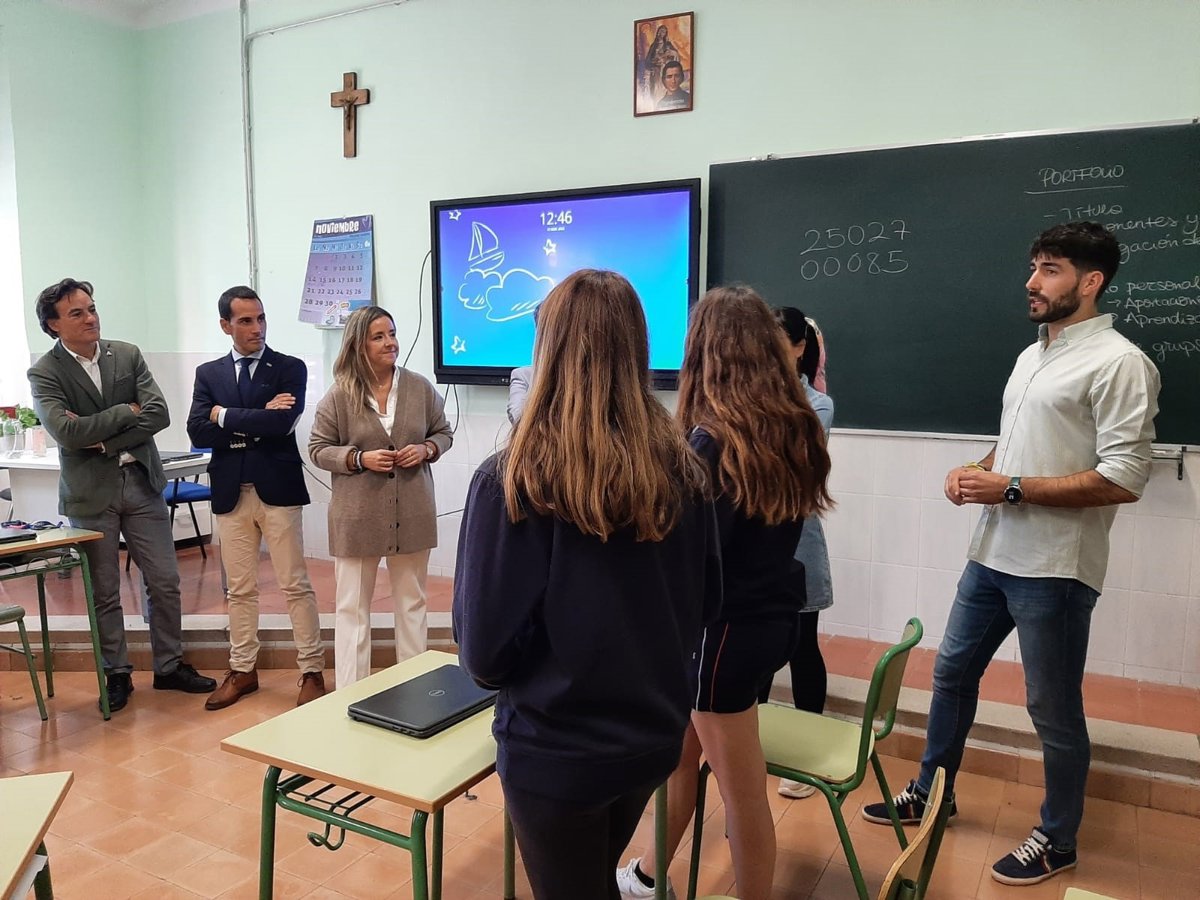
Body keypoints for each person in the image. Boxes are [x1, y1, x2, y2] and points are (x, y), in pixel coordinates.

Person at [860, 222, 1160, 887]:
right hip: (993, 552)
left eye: (1049, 269)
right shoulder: (1033, 355)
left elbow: (1124, 478)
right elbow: (1019, 446)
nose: (1031, 281)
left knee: (1052, 709)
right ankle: (933, 793)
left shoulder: (1120, 363)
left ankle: (1058, 839)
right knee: (951, 674)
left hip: (1054, 569)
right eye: (1033, 267)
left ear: (1091, 282)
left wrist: (1012, 487)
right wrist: (979, 471)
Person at [454, 269, 721, 900]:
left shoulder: (514, 483)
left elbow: (484, 656)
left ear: (546, 351)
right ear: (636, 351)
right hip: (651, 739)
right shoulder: (685, 471)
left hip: (556, 754)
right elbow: (706, 602)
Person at [619, 285, 833, 900]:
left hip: (724, 635)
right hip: (766, 618)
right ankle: (649, 875)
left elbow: (689, 553)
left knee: (742, 793)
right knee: (682, 758)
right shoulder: (793, 428)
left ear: (704, 355)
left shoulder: (712, 442)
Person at [27, 278, 216, 712]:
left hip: (142, 483)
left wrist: (105, 440)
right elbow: (66, 432)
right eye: (77, 313)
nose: (90, 318)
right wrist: (125, 412)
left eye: (92, 308)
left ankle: (169, 666)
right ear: (54, 325)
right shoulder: (45, 372)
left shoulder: (126, 354)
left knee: (164, 580)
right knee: (105, 591)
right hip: (90, 493)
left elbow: (159, 413)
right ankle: (116, 673)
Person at [186, 286, 326, 710]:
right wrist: (257, 419)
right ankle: (242, 669)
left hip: (277, 488)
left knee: (294, 584)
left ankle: (312, 671)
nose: (257, 328)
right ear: (225, 325)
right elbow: (197, 431)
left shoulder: (288, 367)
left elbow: (281, 424)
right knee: (240, 589)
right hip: (231, 490)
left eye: (261, 318)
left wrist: (224, 415)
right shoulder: (209, 374)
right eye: (245, 320)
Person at [309, 305, 452, 689]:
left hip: (413, 511)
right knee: (352, 608)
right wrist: (358, 458)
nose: (390, 343)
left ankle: (416, 690)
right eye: (379, 337)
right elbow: (318, 449)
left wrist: (426, 450)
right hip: (357, 517)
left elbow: (443, 433)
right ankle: (349, 694)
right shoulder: (340, 395)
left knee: (412, 603)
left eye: (392, 333)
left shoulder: (420, 388)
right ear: (359, 345)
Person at [759, 306, 834, 801]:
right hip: (754, 545)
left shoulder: (816, 405)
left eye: (776, 341)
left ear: (800, 347)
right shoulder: (747, 396)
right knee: (758, 648)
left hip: (798, 541)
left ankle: (809, 758)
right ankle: (751, 745)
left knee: (802, 645)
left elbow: (793, 468)